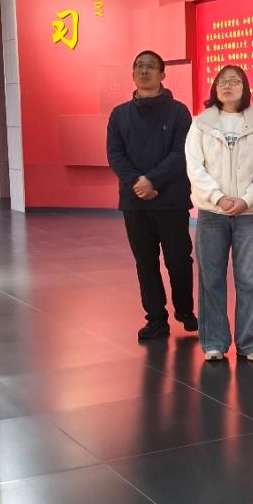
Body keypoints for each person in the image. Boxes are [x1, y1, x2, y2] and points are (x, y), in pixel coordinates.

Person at [185, 65, 253, 362]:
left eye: (235, 81)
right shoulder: (200, 124)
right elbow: (195, 167)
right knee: (211, 279)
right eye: (222, 81)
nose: (228, 85)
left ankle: (251, 342)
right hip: (212, 213)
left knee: (251, 280)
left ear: (245, 88)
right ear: (215, 88)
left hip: (250, 215)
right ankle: (214, 341)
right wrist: (219, 198)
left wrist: (246, 200)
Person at [106, 50, 197, 341]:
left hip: (172, 200)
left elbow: (181, 153)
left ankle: (184, 310)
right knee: (146, 263)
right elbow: (115, 155)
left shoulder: (179, 112)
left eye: (151, 66)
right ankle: (156, 319)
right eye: (140, 66)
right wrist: (138, 182)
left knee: (179, 261)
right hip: (135, 202)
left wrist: (152, 180)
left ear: (162, 74)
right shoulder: (119, 114)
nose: (145, 71)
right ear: (133, 74)